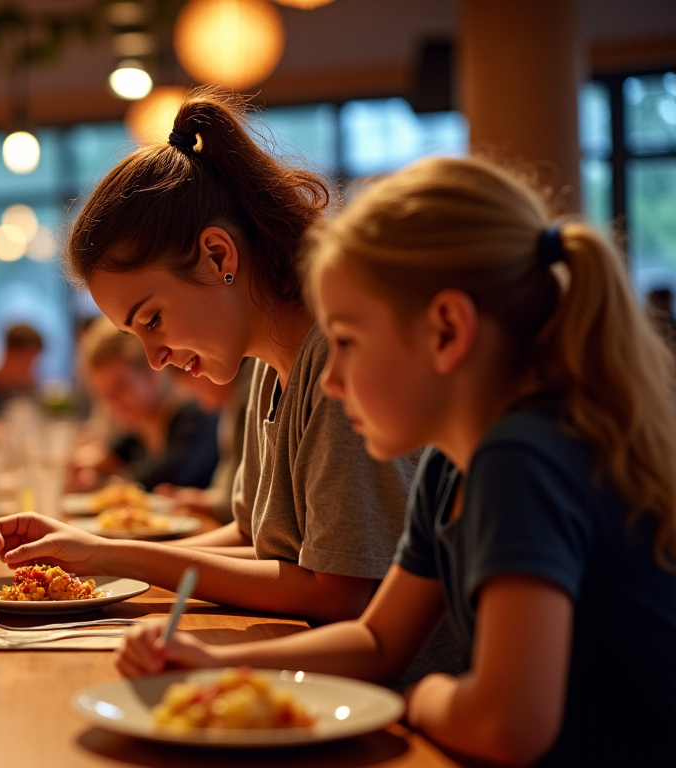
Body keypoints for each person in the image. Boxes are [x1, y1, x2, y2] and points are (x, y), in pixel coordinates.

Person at [118, 156, 676, 766]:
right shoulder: (449, 467)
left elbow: (506, 726)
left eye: (347, 342)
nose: (329, 379)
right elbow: (378, 640)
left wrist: (419, 697)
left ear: (446, 330)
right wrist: (215, 665)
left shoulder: (521, 461)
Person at [0, 86, 422, 631]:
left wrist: (114, 556)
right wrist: (96, 551)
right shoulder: (267, 367)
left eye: (152, 320)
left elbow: (337, 592)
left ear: (218, 255)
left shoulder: (333, 363)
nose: (155, 360)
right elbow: (254, 540)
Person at [67, 319, 220, 491]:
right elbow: (106, 459)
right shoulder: (138, 435)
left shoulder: (196, 418)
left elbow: (168, 478)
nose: (111, 403)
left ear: (152, 373)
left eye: (120, 387)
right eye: (103, 394)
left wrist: (105, 482)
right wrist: (92, 466)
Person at [159, 359, 252, 523]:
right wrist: (200, 498)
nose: (196, 400)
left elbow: (246, 500)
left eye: (193, 389)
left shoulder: (245, 402)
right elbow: (228, 488)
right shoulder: (230, 408)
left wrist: (204, 503)